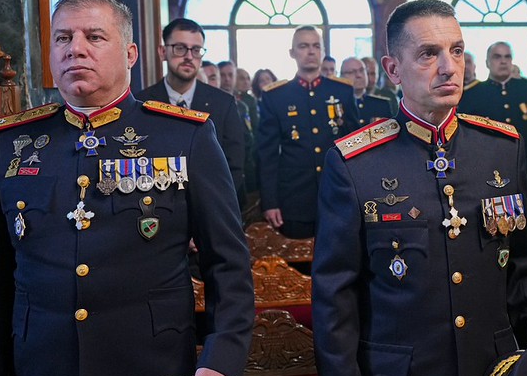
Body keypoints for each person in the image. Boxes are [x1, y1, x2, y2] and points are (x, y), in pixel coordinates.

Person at [0, 0, 255, 376]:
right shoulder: (14, 142)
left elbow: (229, 266)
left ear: (131, 53)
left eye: (94, 37)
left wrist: (219, 365)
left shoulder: (184, 136)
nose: (75, 49)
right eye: (63, 38)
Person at [312, 0, 527, 376]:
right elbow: (335, 294)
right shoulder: (356, 164)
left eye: (457, 51)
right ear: (393, 68)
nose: (449, 67)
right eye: (429, 54)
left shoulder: (500, 148)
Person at [256, 25, 359, 239]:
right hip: (295, 199)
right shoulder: (276, 96)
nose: (311, 51)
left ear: (323, 51)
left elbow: (355, 146)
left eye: (316, 46)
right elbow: (267, 154)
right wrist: (270, 202)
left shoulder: (342, 91)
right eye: (303, 46)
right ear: (292, 53)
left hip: (338, 194)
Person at [135, 18, 246, 200]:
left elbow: (234, 164)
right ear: (163, 52)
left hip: (212, 203)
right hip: (157, 205)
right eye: (180, 48)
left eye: (196, 50)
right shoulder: (141, 102)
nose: (188, 57)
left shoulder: (223, 103)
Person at [458, 41, 527, 200]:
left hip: (526, 164)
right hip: (486, 167)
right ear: (487, 62)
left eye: (507, 57)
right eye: (497, 57)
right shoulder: (472, 94)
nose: (503, 61)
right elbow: (465, 134)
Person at [340, 56, 393, 125]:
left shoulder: (381, 105)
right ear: (341, 76)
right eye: (352, 72)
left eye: (362, 70)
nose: (359, 75)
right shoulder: (337, 105)